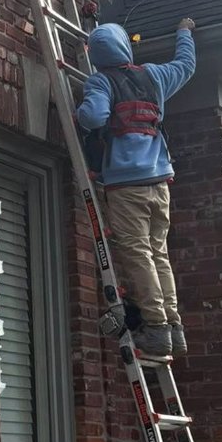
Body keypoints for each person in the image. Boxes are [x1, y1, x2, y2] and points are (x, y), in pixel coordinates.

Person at [76, 19, 196, 357]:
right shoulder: (154, 76)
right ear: (125, 48)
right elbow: (186, 65)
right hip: (160, 182)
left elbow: (93, 118)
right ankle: (173, 327)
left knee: (137, 252)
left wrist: (81, 108)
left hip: (127, 185)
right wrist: (183, 32)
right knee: (158, 252)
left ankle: (157, 328)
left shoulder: (102, 80)